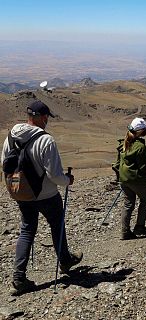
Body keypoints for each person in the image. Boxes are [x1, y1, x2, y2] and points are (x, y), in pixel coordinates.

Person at [1, 100, 83, 296]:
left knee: (27, 230)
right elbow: (54, 175)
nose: (47, 121)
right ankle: (65, 261)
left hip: (21, 192)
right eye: (46, 117)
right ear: (42, 117)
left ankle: (18, 277)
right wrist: (67, 181)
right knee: (57, 224)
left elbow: (5, 163)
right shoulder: (46, 140)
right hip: (46, 194)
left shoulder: (10, 137)